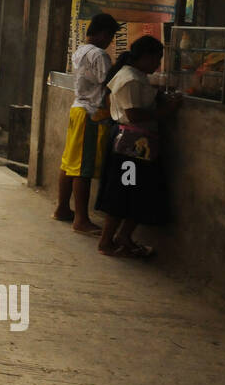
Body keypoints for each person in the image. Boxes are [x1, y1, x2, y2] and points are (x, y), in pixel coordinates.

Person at [94, 35, 182, 259]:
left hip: (138, 144)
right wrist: (166, 111)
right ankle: (107, 241)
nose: (158, 65)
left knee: (138, 192)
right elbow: (133, 114)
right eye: (156, 59)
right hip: (132, 144)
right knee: (123, 193)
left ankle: (123, 237)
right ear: (145, 57)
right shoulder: (130, 78)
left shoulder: (136, 76)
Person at [54, 13, 119, 236]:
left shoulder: (81, 50)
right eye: (110, 36)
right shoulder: (100, 55)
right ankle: (81, 219)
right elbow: (111, 83)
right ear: (103, 34)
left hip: (78, 108)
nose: (110, 41)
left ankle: (63, 208)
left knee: (69, 162)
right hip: (92, 113)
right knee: (82, 168)